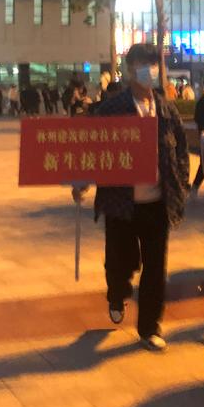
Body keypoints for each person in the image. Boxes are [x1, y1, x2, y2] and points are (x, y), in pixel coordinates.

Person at [72, 43, 190, 352]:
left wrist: (181, 184)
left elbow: (180, 149)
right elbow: (93, 149)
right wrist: (81, 181)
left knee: (155, 267)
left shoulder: (166, 110)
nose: (149, 70)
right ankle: (117, 293)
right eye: (142, 64)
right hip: (120, 202)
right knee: (119, 261)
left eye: (153, 64)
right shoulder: (112, 108)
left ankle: (150, 327)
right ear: (129, 70)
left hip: (157, 203)